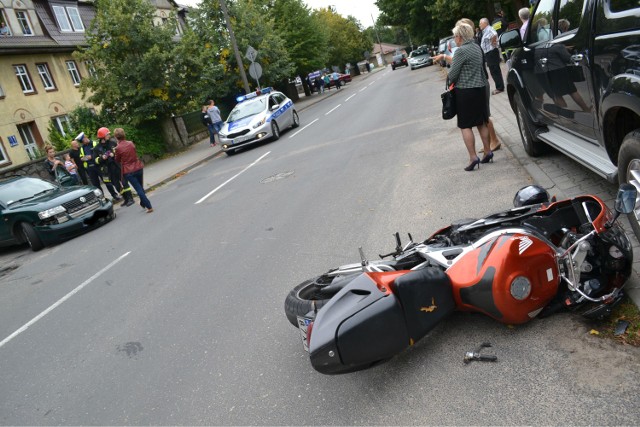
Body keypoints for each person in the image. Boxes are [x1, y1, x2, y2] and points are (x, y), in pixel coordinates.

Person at [434, 18, 502, 152]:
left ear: (462, 33)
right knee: (482, 119)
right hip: (481, 84)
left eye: (456, 34)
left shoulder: (464, 49)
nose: (455, 38)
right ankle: (488, 148)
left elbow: (455, 70)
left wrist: (447, 66)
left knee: (477, 120)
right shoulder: (475, 45)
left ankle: (489, 145)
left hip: (470, 88)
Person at [114, 128, 153, 213]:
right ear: (124, 134)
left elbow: (117, 160)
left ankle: (149, 206)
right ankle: (143, 203)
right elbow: (134, 153)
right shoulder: (131, 143)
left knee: (138, 189)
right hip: (138, 167)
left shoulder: (117, 148)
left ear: (116, 137)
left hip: (129, 171)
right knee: (140, 187)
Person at [95, 127, 135, 206]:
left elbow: (120, 151)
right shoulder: (97, 148)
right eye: (107, 134)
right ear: (102, 136)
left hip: (117, 166)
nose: (109, 136)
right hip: (109, 169)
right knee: (116, 185)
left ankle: (130, 198)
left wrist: (114, 154)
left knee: (124, 182)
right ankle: (126, 199)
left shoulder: (113, 142)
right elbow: (95, 160)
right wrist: (101, 158)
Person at [479, 17, 505, 95]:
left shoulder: (489, 29)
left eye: (480, 23)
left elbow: (494, 34)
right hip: (489, 53)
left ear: (485, 23)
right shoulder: (485, 30)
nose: (479, 25)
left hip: (492, 52)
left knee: (495, 70)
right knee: (493, 70)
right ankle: (499, 86)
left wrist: (493, 42)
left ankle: (499, 88)